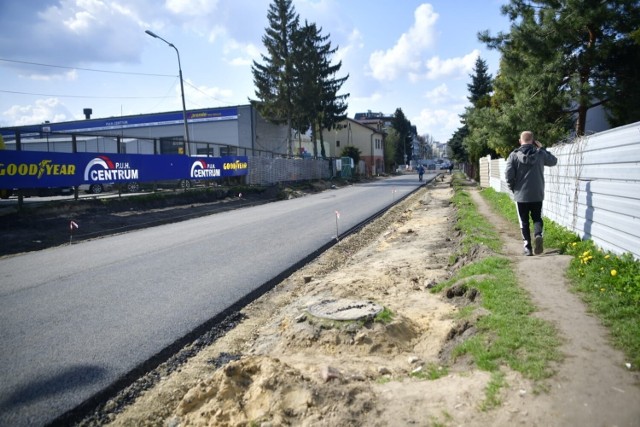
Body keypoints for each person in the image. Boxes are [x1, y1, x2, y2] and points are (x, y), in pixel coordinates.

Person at [504, 131, 558, 256]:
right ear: (533, 141)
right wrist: (542, 148)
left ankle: (528, 247)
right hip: (537, 193)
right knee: (537, 217)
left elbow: (508, 174)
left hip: (521, 194)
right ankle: (538, 235)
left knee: (523, 221)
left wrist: (513, 188)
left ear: (520, 141)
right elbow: (554, 161)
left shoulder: (514, 155)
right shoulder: (540, 154)